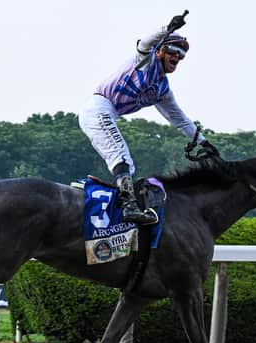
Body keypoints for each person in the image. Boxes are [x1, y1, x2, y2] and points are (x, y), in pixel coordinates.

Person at [79, 11, 220, 224]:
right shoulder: (144, 59)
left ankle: (122, 201)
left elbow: (180, 119)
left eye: (181, 55)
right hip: (99, 107)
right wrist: (168, 28)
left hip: (109, 113)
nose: (177, 57)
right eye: (173, 51)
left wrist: (204, 142)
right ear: (160, 51)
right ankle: (129, 206)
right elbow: (145, 42)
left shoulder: (162, 89)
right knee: (121, 156)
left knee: (128, 164)